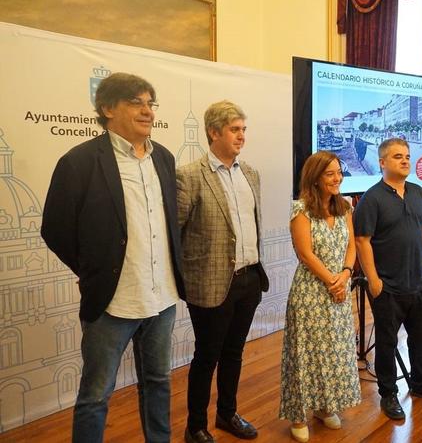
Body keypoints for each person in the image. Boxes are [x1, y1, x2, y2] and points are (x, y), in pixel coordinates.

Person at [41, 72, 185, 443]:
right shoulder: (79, 161)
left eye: (151, 103)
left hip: (162, 298)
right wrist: (94, 270)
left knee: (158, 384)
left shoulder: (164, 159)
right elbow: (55, 229)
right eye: (136, 102)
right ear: (107, 108)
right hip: (112, 302)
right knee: (96, 395)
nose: (147, 111)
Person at [177, 100, 269, 443]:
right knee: (206, 356)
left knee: (234, 353)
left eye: (243, 129)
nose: (241, 136)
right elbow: (176, 233)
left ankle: (227, 413)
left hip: (248, 278)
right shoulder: (188, 176)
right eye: (234, 129)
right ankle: (195, 426)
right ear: (213, 132)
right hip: (211, 285)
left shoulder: (250, 174)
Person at [354, 138, 422, 421]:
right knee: (387, 342)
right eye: (398, 157)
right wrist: (373, 280)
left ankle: (421, 383)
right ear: (382, 162)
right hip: (387, 286)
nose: (406, 161)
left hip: (419, 281)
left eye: (407, 156)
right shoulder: (371, 198)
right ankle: (388, 394)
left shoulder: (418, 192)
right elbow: (362, 240)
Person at [279, 151, 362, 443]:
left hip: (338, 289)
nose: (337, 178)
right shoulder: (300, 210)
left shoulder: (346, 207)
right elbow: (304, 253)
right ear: (314, 178)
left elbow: (352, 246)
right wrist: (332, 280)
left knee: (334, 351)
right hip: (311, 293)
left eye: (339, 172)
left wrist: (346, 274)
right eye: (330, 174)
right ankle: (299, 414)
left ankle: (326, 406)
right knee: (306, 353)